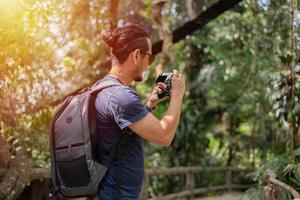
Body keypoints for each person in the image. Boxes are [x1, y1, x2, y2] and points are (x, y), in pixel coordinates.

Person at [95, 23, 185, 199]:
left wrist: (150, 103)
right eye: (150, 58)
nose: (149, 64)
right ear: (137, 55)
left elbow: (122, 134)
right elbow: (164, 136)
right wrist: (177, 95)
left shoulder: (102, 88)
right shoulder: (122, 96)